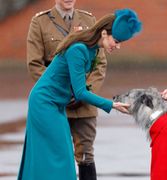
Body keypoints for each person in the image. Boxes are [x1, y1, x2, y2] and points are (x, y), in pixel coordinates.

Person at [18, 8, 142, 180]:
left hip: (56, 103)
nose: (118, 46)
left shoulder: (91, 50)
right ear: (104, 33)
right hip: (45, 103)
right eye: (117, 40)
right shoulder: (79, 49)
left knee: (60, 154)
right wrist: (112, 105)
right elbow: (80, 92)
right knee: (59, 156)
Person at [26, 0, 107, 179]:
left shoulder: (89, 20)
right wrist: (59, 91)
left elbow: (100, 64)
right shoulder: (40, 22)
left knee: (86, 153)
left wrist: (85, 92)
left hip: (84, 102)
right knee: (53, 153)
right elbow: (35, 64)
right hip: (54, 103)